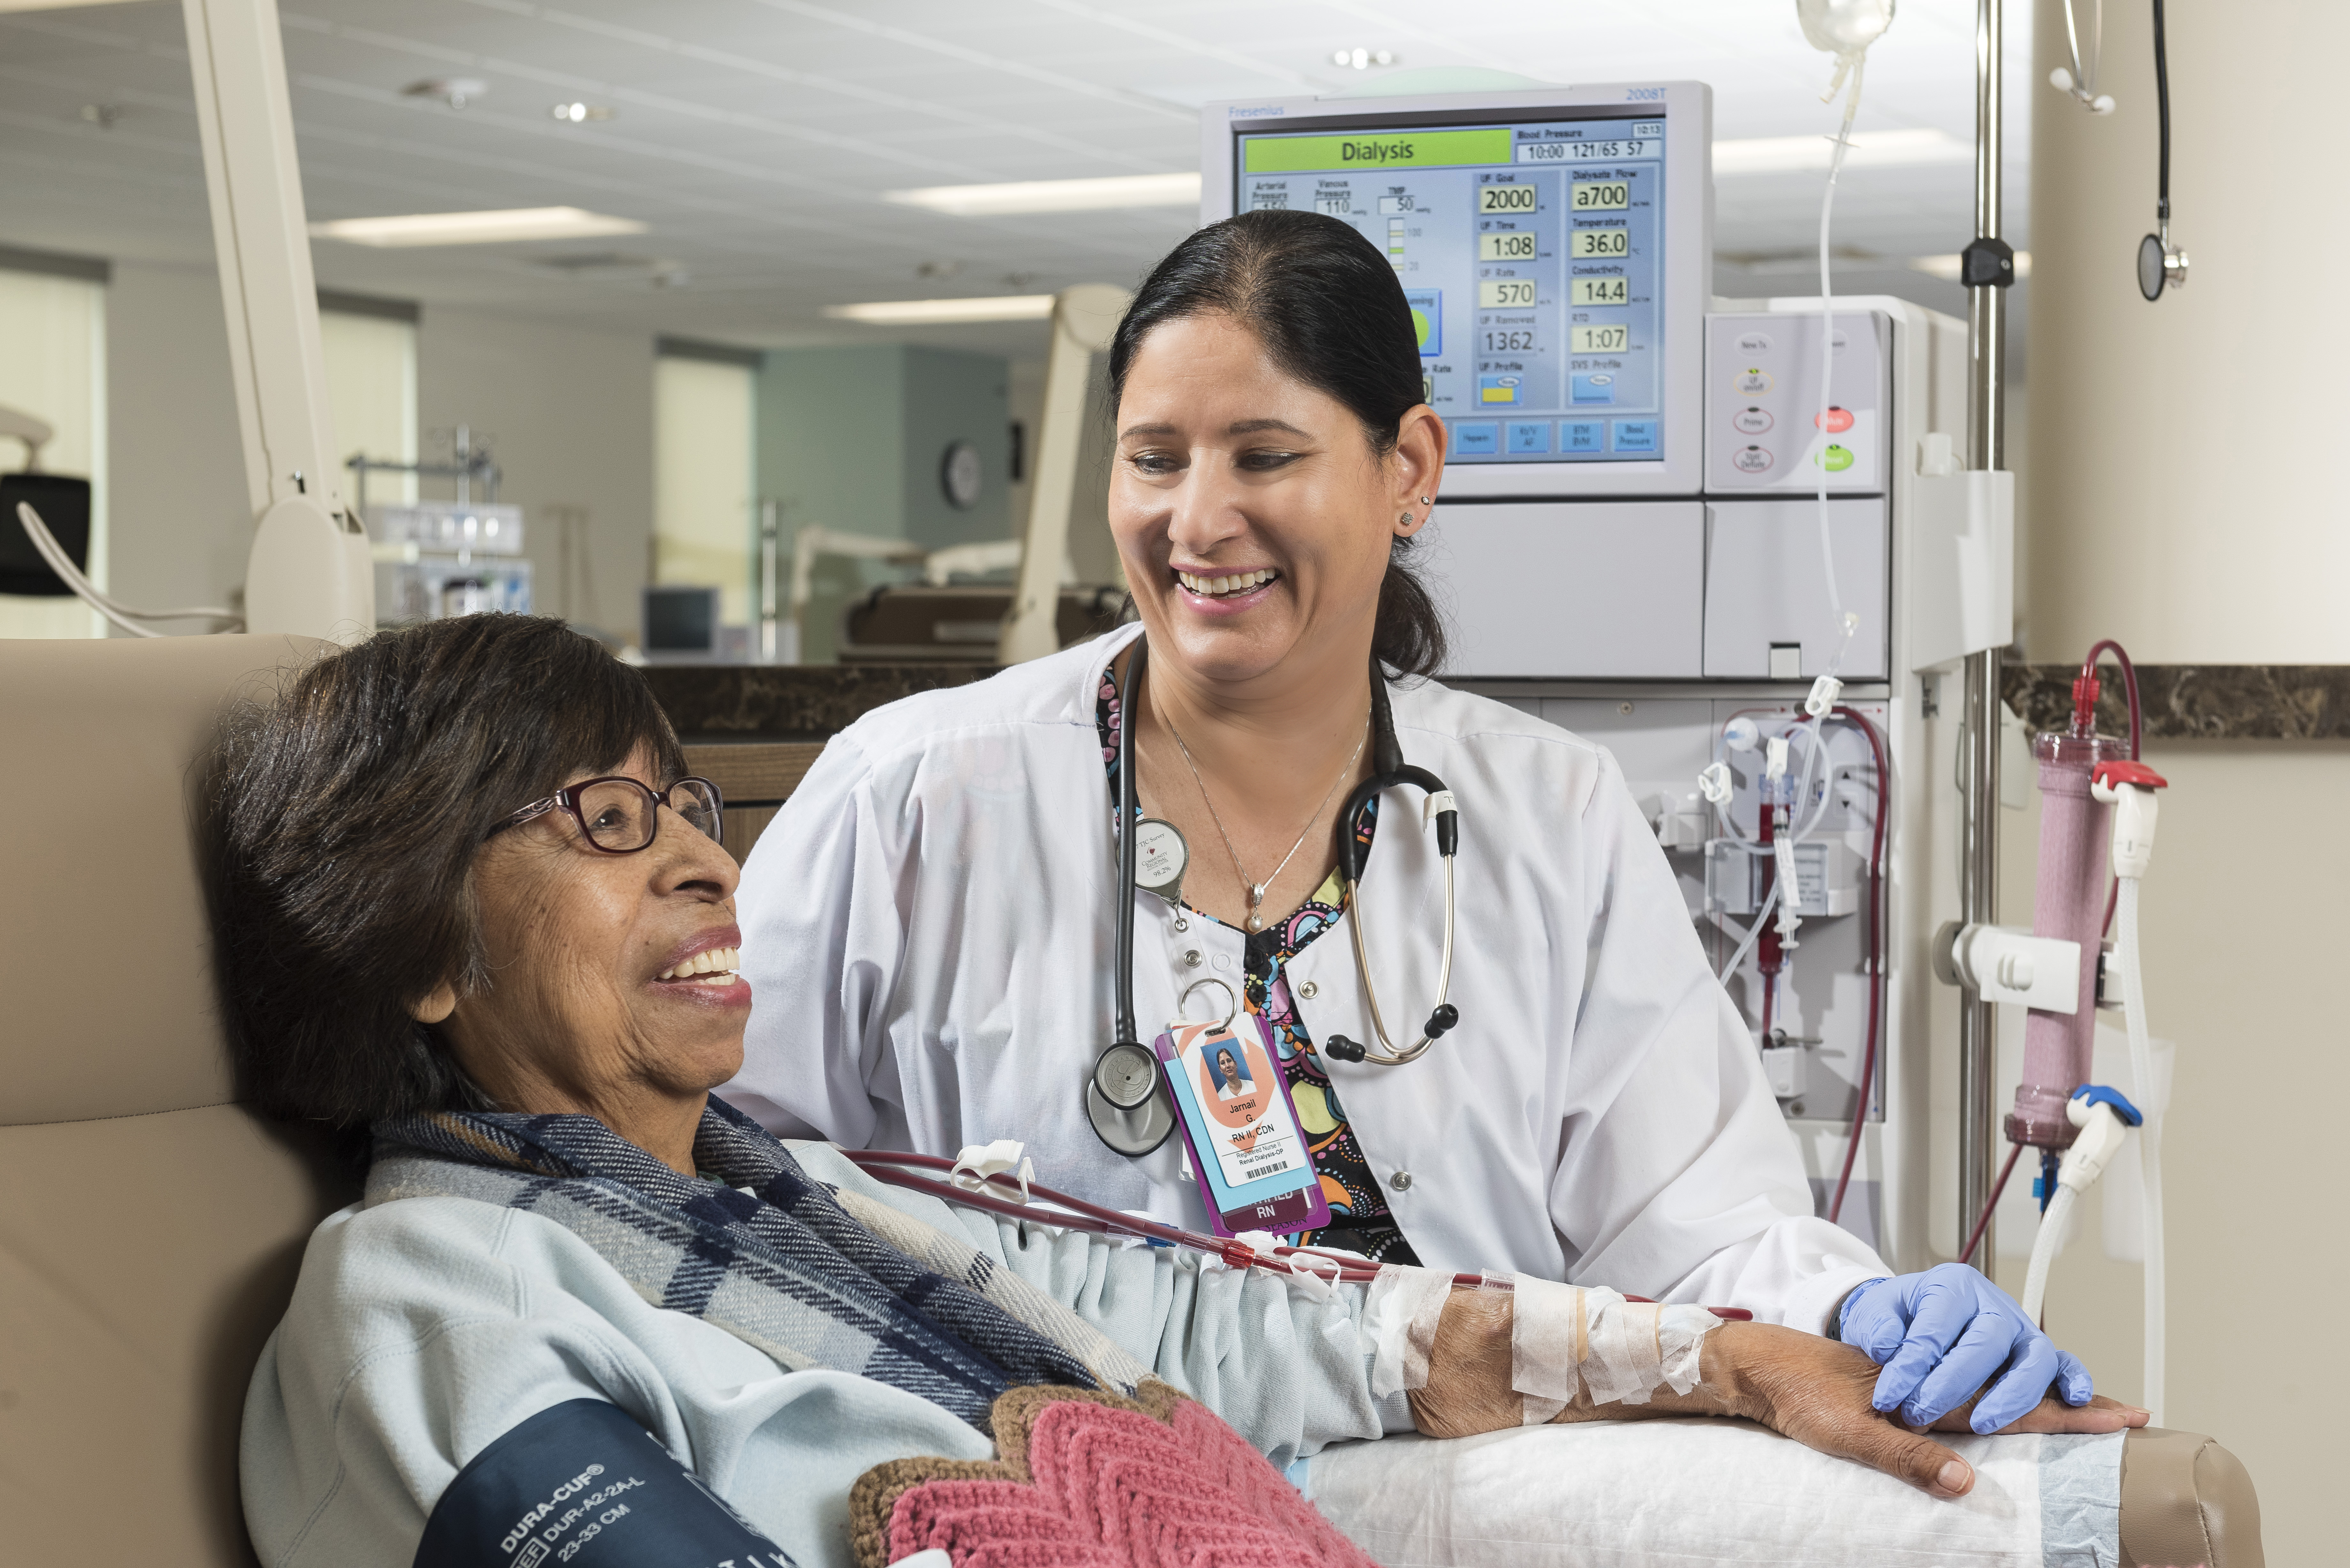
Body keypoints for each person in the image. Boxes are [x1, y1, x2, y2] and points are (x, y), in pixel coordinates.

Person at [219, 617, 2136, 1568]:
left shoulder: (829, 1210)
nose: (715, 868)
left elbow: (1264, 1327)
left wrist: (1739, 1356)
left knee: (2051, 1509)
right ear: (418, 946)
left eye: (695, 816)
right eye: (604, 828)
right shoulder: (424, 1296)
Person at [728, 208, 2088, 1437]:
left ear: (1408, 468)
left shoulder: (1546, 812)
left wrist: (1865, 1316)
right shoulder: (912, 791)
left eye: (1264, 454)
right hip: (1045, 1496)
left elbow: (1696, 1231)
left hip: (1458, 1508)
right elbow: (712, 1157)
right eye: (1153, 458)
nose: (1197, 519)